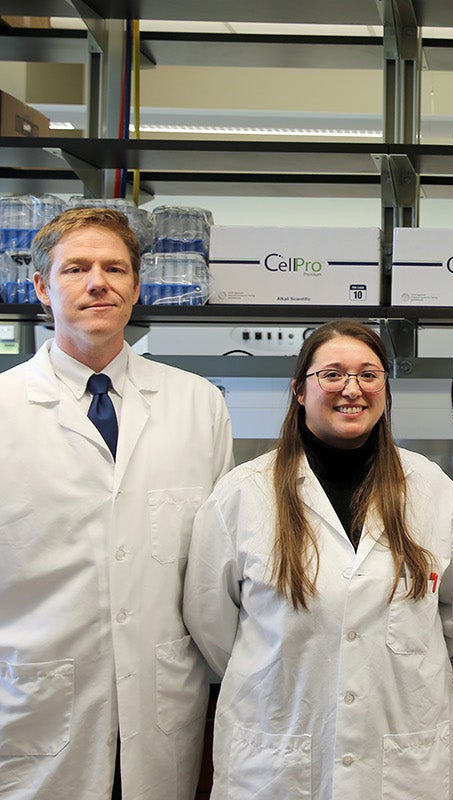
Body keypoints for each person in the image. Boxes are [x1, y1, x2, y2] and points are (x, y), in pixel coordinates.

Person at [0, 207, 233, 800]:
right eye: (76, 268)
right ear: (41, 288)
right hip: (35, 697)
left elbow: (218, 568)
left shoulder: (198, 405)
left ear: (136, 285)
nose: (97, 282)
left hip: (162, 700)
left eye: (115, 268)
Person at [183, 321, 453, 799]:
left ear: (385, 387)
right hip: (280, 753)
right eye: (331, 374)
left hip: (402, 754)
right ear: (299, 390)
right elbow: (211, 622)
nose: (351, 389)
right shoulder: (242, 494)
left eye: (368, 374)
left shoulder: (432, 490)